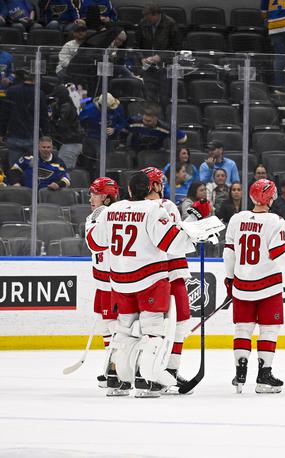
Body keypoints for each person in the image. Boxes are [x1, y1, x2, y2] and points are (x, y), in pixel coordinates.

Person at [86, 171, 212, 398]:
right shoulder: (156, 209)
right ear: (150, 188)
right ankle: (147, 379)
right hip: (150, 280)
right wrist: (197, 227)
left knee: (123, 330)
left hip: (120, 282)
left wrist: (95, 219)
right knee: (154, 331)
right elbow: (173, 242)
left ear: (130, 190)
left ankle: (116, 379)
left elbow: (94, 243)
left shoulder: (112, 210)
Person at [224, 179, 285, 394]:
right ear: (271, 196)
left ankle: (240, 374)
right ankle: (264, 376)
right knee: (268, 330)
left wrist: (229, 279)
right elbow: (280, 254)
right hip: (268, 286)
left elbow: (229, 253)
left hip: (241, 285)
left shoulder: (237, 219)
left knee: (242, 329)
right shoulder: (275, 221)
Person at [142, 167, 209, 394]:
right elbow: (176, 236)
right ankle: (164, 371)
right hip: (169, 270)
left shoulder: (135, 208)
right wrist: (197, 220)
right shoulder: (166, 206)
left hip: (147, 272)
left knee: (157, 325)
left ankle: (155, 371)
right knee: (177, 322)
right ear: (155, 185)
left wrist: (195, 219)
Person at [86, 177, 124, 395]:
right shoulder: (95, 216)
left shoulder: (117, 215)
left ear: (107, 197)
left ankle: (116, 370)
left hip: (118, 283)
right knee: (107, 327)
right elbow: (92, 244)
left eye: (96, 193)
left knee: (119, 328)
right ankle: (111, 366)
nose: (91, 197)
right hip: (103, 283)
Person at [0, 70, 50, 166]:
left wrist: (1, 133)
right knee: (31, 170)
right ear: (36, 80)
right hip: (32, 137)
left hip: (14, 135)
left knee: (15, 170)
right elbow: (44, 118)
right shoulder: (39, 93)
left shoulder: (11, 91)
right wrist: (45, 134)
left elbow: (4, 115)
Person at [136, 3, 181, 107]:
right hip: (148, 67)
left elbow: (176, 48)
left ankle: (163, 121)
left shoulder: (170, 24)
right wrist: (141, 58)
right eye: (146, 17)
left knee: (164, 98)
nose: (147, 20)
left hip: (164, 68)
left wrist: (160, 57)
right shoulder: (143, 23)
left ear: (157, 14)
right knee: (149, 97)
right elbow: (137, 45)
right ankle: (151, 120)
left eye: (149, 17)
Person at [79, 93, 128, 177]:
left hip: (110, 139)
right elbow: (80, 124)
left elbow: (123, 122)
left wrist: (115, 128)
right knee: (96, 157)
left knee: (108, 159)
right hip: (92, 138)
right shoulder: (88, 110)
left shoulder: (117, 107)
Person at [49, 84, 83, 170]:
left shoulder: (66, 107)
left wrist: (52, 121)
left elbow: (61, 125)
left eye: (56, 97)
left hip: (70, 143)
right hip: (70, 142)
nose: (55, 100)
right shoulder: (65, 105)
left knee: (63, 169)